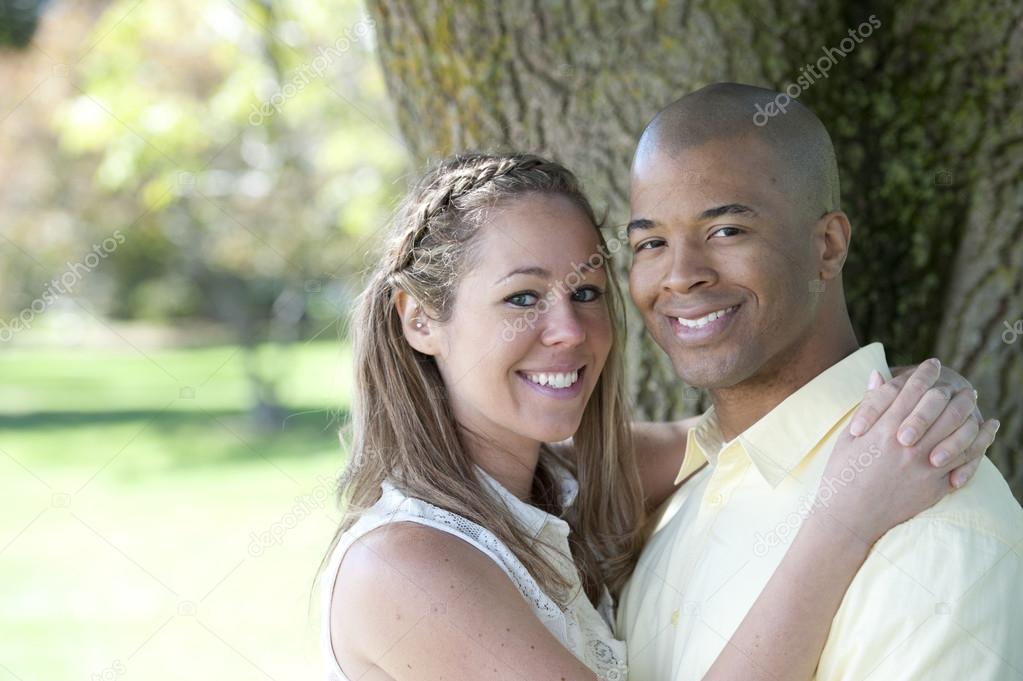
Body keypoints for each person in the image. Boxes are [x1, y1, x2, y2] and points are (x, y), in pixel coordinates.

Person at [317, 153, 995, 681]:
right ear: (419, 319)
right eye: (522, 297)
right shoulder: (406, 563)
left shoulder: (562, 480)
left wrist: (911, 398)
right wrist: (843, 525)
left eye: (585, 291)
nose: (569, 330)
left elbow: (745, 432)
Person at [617, 83, 1023, 681]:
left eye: (726, 230)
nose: (680, 276)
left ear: (827, 245)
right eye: (650, 243)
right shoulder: (674, 504)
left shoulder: (937, 519)